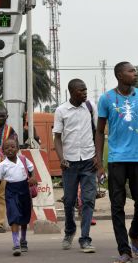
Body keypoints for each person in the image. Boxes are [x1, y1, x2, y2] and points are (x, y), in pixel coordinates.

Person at [96, 61, 138, 263]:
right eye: (131, 71)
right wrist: (99, 160)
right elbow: (99, 131)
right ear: (119, 75)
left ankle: (134, 233)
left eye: (135, 70)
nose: (135, 73)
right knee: (117, 206)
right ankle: (124, 250)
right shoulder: (106, 99)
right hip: (116, 159)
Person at [53, 78, 97, 253]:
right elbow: (57, 137)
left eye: (86, 90)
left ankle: (85, 238)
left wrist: (98, 157)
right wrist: (61, 157)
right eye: (81, 90)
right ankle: (69, 231)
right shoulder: (61, 110)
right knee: (69, 201)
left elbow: (98, 132)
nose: (85, 93)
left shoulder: (91, 107)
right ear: (72, 92)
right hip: (70, 162)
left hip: (88, 160)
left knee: (88, 200)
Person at [0, 138, 36, 256]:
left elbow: (31, 169)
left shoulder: (24, 160)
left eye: (13, 147)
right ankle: (16, 244)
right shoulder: (2, 165)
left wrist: (33, 177)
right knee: (14, 216)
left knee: (25, 216)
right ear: (3, 151)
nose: (10, 149)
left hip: (24, 189)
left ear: (18, 149)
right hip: (11, 191)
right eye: (7, 148)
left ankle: (23, 239)